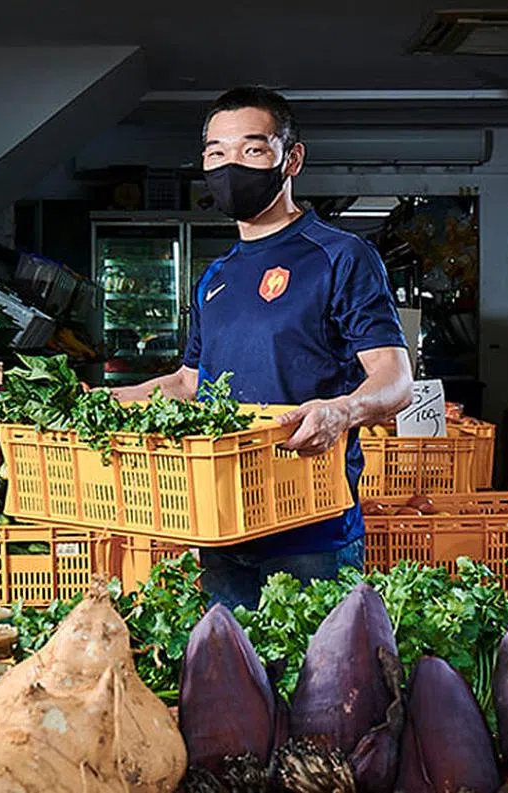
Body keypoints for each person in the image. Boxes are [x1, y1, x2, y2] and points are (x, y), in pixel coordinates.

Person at [109, 86, 413, 609]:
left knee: (318, 684)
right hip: (221, 523)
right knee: (230, 682)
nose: (231, 166)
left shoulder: (340, 256)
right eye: (215, 153)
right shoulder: (216, 276)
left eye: (252, 150)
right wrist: (105, 401)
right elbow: (188, 383)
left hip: (311, 527)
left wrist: (342, 411)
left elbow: (395, 377)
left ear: (290, 158)